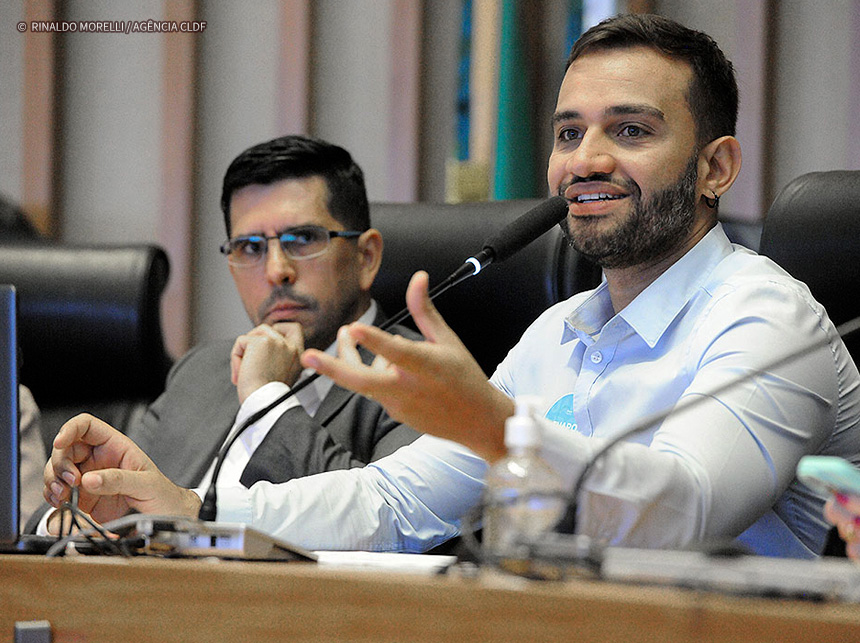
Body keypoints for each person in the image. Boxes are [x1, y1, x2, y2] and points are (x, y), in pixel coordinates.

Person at [300, 14, 860, 558]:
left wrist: (494, 426)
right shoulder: (553, 333)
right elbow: (393, 501)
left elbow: (688, 513)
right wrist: (215, 511)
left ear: (715, 167)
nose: (585, 160)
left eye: (631, 131)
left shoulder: (769, 316)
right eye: (569, 133)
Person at [36, 135, 441, 546]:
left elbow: (394, 529)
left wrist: (266, 397)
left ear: (366, 257)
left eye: (302, 240)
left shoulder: (417, 377)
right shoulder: (203, 370)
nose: (276, 271)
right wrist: (73, 513)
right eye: (249, 247)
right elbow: (73, 513)